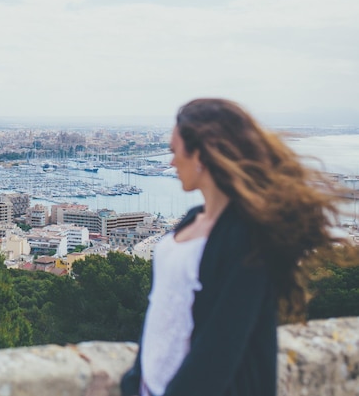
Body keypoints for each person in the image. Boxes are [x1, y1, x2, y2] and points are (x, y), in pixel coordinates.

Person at [120, 98, 349, 396]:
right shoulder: (191, 220)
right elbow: (161, 313)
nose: (171, 161)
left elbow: (221, 345)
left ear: (200, 153)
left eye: (175, 150)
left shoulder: (248, 237)